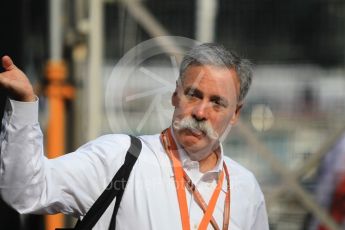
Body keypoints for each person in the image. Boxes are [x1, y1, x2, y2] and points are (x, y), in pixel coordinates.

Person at [0, 43, 269, 229]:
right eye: (193, 94)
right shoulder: (118, 158)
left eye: (216, 103)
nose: (200, 111)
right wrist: (24, 104)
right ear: (175, 94)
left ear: (235, 113)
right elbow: (25, 191)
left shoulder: (246, 187)